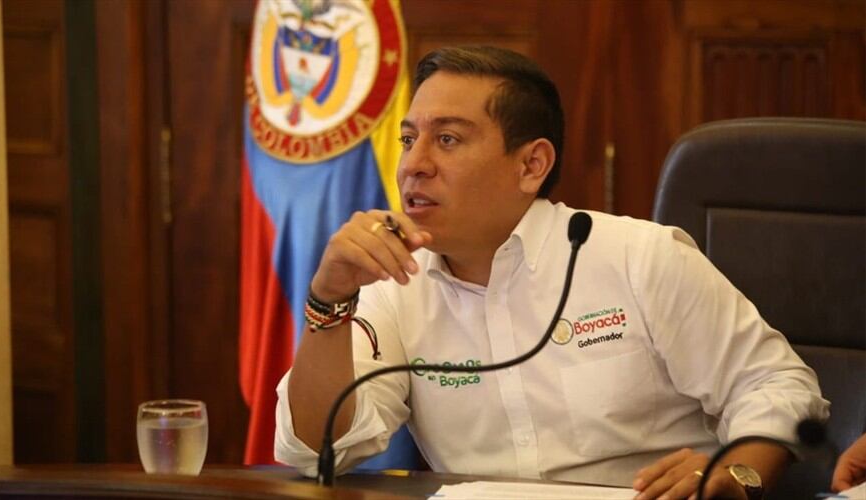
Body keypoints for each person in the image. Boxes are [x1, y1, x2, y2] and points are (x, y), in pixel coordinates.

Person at [274, 45, 829, 499]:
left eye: (447, 139)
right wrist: (331, 299)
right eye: (408, 138)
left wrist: (736, 475)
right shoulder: (394, 283)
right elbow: (320, 449)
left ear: (531, 165)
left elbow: (778, 384)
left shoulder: (640, 256)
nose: (414, 164)